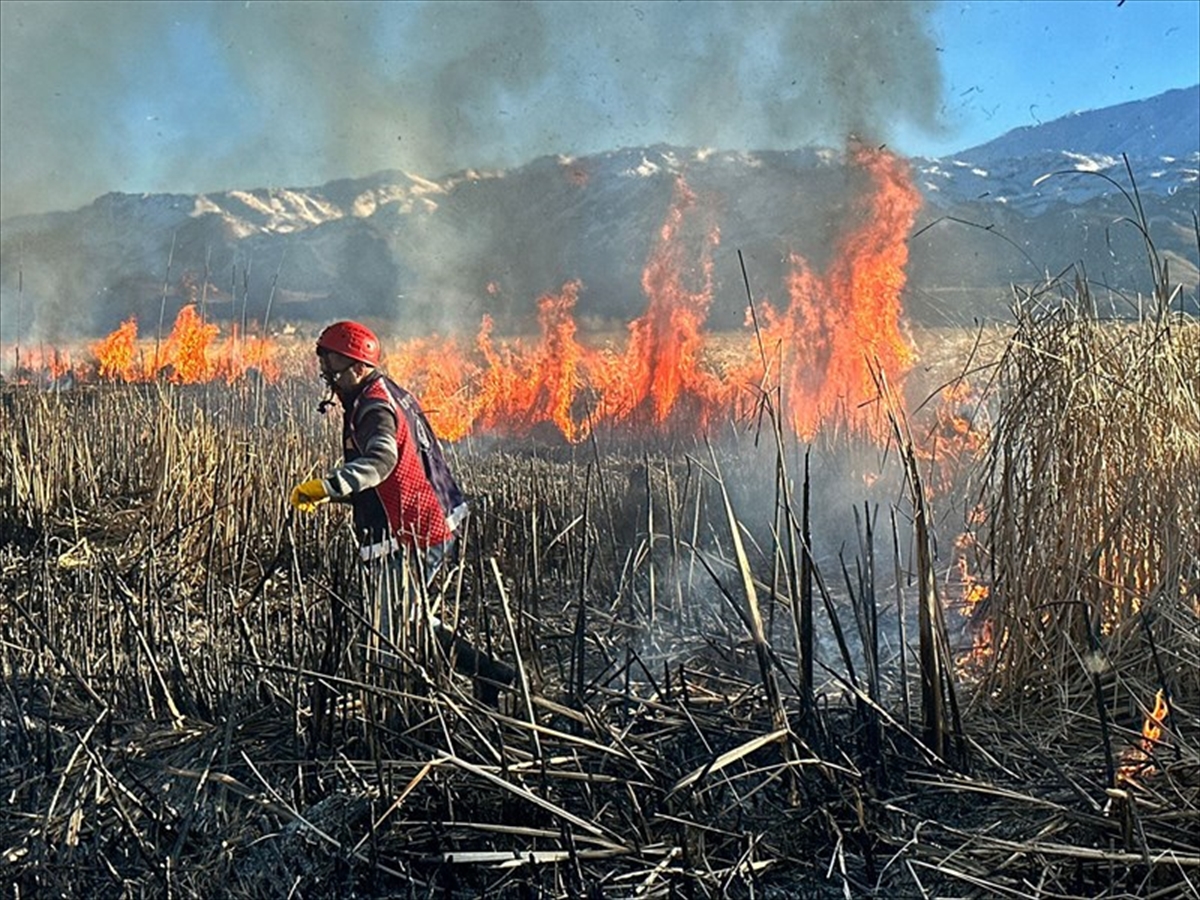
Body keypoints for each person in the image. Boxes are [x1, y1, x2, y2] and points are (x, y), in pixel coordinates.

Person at [289, 320, 513, 703]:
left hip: (415, 528)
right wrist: (339, 496)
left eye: (334, 367)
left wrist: (329, 486)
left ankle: (401, 711)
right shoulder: (381, 392)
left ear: (359, 366)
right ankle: (488, 674)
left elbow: (381, 461)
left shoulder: (374, 406)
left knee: (393, 629)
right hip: (430, 515)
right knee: (409, 620)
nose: (329, 376)